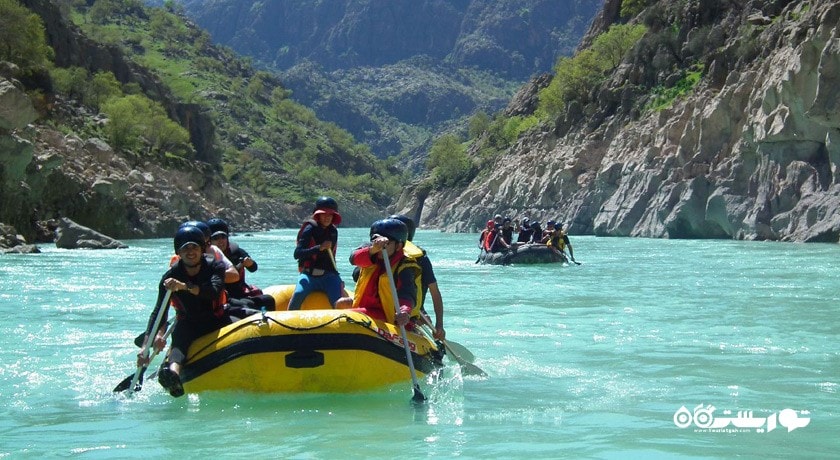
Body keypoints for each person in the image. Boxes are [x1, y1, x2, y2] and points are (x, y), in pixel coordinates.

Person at [137, 225, 232, 398]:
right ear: (178, 253)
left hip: (217, 319)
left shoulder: (215, 266)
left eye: (194, 247)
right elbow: (159, 312)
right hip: (189, 322)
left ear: (202, 249)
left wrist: (183, 287)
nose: (191, 252)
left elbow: (213, 291)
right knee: (180, 340)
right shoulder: (169, 277)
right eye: (185, 248)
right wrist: (146, 346)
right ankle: (172, 374)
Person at [349, 218, 421, 327]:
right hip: (368, 307)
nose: (380, 247)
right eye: (375, 241)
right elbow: (353, 259)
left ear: (399, 246)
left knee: (350, 316)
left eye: (386, 243)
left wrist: (404, 311)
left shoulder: (405, 266)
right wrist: (373, 249)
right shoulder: (371, 251)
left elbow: (407, 292)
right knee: (341, 304)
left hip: (388, 315)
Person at [389, 214, 446, 340]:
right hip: (386, 308)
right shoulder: (380, 254)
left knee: (422, 320)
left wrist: (439, 325)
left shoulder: (421, 259)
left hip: (414, 311)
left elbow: (435, 293)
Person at [206, 217, 276, 314]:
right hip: (225, 297)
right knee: (246, 305)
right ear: (209, 241)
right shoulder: (207, 257)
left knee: (268, 300)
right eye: (216, 238)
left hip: (240, 292)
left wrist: (249, 263)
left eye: (223, 237)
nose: (220, 241)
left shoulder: (235, 251)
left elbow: (253, 268)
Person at [288, 196, 344, 310]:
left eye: (330, 215)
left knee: (339, 301)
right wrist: (319, 248)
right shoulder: (309, 229)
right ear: (318, 215)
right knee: (298, 294)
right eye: (324, 214)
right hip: (309, 275)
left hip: (328, 275)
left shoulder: (333, 232)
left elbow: (331, 258)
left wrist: (338, 278)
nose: (327, 218)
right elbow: (297, 253)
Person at [178, 220, 240, 284]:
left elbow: (234, 275)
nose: (205, 247)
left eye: (207, 243)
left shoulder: (213, 250)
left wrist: (212, 274)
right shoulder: (178, 259)